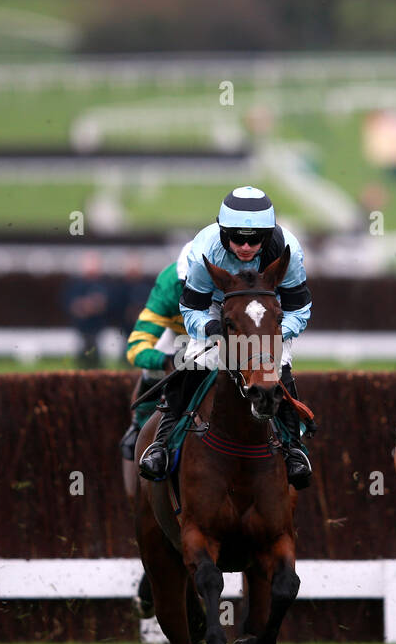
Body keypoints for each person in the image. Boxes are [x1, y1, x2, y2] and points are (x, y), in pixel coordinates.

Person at [138, 186, 314, 488]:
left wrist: (269, 335)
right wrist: (210, 329)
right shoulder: (205, 248)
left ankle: (293, 449)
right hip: (217, 307)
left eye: (255, 239)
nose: (246, 246)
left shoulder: (289, 250)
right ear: (222, 232)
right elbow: (191, 307)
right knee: (191, 360)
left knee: (279, 363)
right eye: (237, 237)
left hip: (264, 312)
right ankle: (163, 444)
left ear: (268, 235)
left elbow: (301, 308)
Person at [119, 248, 190, 462]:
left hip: (220, 338)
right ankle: (139, 424)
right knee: (152, 367)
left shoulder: (231, 275)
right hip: (180, 337)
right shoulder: (169, 284)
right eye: (187, 286)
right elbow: (137, 347)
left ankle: (289, 429)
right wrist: (164, 360)